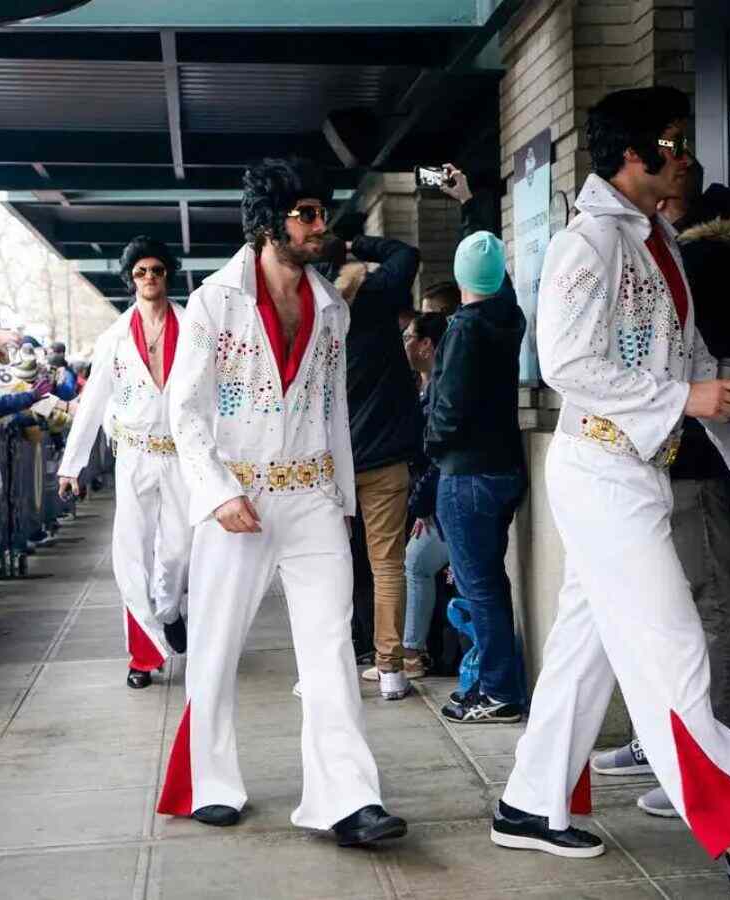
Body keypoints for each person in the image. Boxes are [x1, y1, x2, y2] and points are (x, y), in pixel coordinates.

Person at [494, 86, 730, 900]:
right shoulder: (587, 244)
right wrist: (685, 405)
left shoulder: (655, 240)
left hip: (633, 470)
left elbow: (690, 360)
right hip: (601, 472)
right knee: (675, 650)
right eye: (674, 142)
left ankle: (526, 803)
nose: (687, 157)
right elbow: (565, 363)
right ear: (632, 158)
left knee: (585, 657)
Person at [157, 157, 406, 847]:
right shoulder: (213, 301)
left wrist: (343, 497)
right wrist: (216, 493)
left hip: (313, 499)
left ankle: (347, 799)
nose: (319, 227)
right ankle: (211, 781)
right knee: (215, 645)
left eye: (322, 213)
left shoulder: (331, 308)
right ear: (270, 223)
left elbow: (333, 410)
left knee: (329, 646)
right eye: (306, 215)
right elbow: (186, 411)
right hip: (240, 497)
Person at [592, 166, 730, 819]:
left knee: (710, 609)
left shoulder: (702, 263)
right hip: (670, 458)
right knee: (673, 614)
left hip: (691, 460)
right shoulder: (686, 258)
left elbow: (706, 369)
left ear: (674, 203)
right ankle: (667, 745)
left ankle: (715, 760)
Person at [57, 235, 192, 689]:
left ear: (166, 274)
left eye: (156, 270)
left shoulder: (193, 328)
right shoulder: (114, 337)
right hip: (133, 456)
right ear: (130, 280)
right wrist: (70, 466)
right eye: (140, 272)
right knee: (132, 554)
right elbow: (93, 401)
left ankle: (170, 611)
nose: (149, 278)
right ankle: (142, 655)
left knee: (178, 551)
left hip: (181, 458)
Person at [427, 231, 527, 724]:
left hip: (467, 474)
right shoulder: (509, 318)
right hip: (504, 469)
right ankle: (498, 683)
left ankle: (497, 691)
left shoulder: (465, 329)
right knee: (490, 584)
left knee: (480, 588)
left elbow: (450, 408)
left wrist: (431, 447)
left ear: (462, 277)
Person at [326, 233, 422, 700]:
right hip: (384, 457)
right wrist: (357, 245)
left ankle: (329, 664)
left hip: (330, 465)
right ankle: (389, 671)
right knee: (388, 566)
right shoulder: (378, 299)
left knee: (326, 565)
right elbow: (407, 254)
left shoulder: (314, 315)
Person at [401, 312, 450, 675]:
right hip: (435, 496)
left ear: (426, 345)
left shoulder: (440, 388)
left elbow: (437, 452)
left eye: (408, 337)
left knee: (417, 561)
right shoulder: (423, 385)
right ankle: (416, 651)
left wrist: (421, 503)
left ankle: (413, 654)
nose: (404, 344)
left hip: (444, 496)